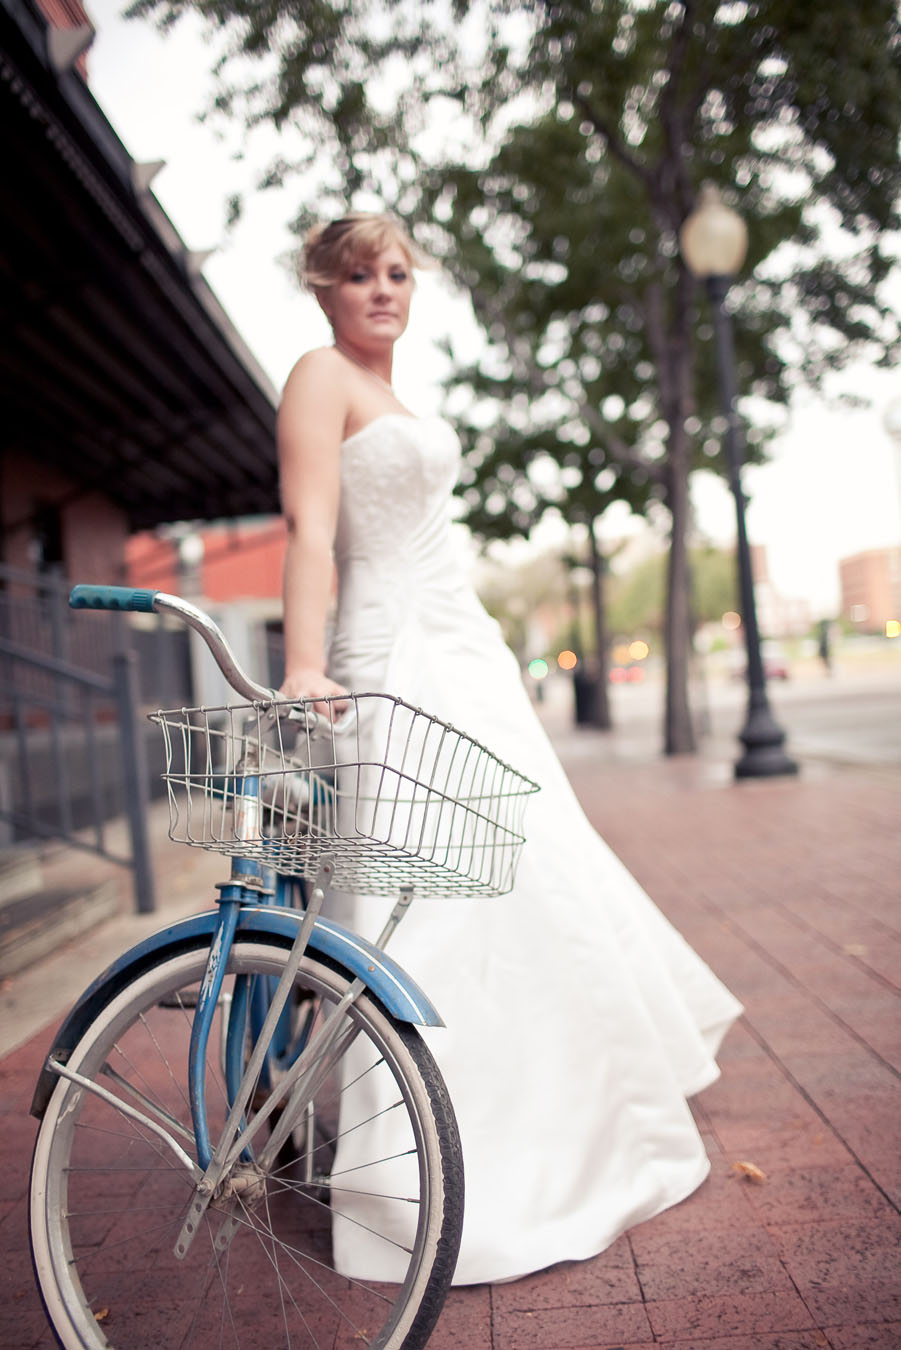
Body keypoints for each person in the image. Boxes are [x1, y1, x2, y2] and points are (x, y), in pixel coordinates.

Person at [277, 212, 742, 1286]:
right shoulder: (319, 375)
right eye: (359, 275)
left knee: (526, 861)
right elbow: (307, 528)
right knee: (427, 887)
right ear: (322, 288)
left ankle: (575, 1105)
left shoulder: (390, 393)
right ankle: (441, 1162)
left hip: (460, 644)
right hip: (393, 651)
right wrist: (307, 665)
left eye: (398, 272)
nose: (383, 290)